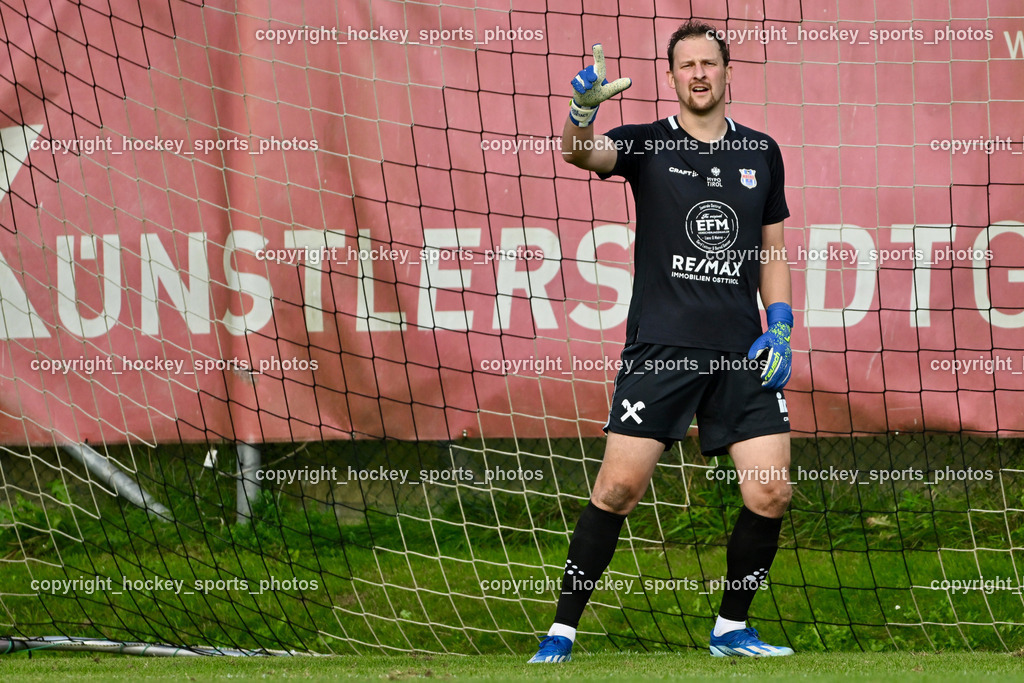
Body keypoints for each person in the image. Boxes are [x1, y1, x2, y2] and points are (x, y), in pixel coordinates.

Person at [529, 19, 795, 662]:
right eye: (687, 65)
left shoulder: (761, 151)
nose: (699, 74)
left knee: (771, 492)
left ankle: (731, 629)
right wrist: (581, 113)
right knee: (617, 491)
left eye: (709, 63)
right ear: (672, 77)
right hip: (663, 350)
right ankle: (561, 632)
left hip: (743, 353)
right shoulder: (647, 143)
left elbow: (773, 250)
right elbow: (579, 154)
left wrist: (781, 323)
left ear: (727, 72)